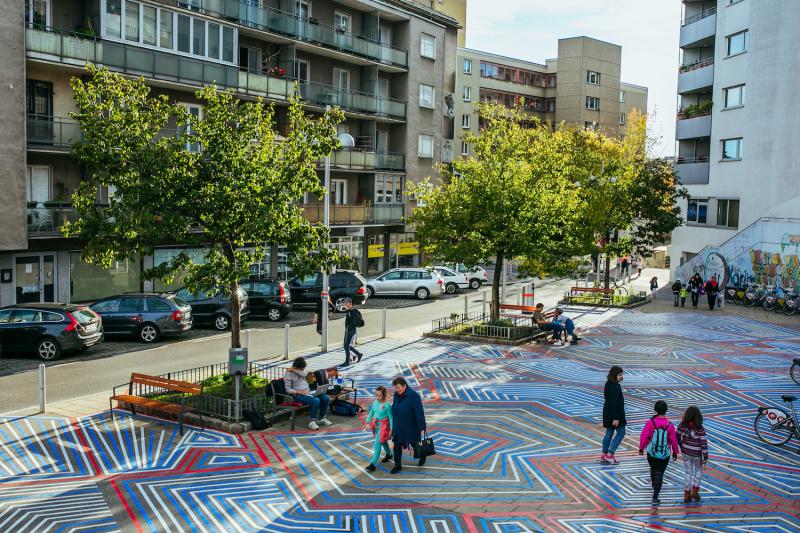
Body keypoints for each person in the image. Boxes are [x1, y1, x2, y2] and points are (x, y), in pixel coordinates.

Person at [639, 400, 680, 505]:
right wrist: (675, 452)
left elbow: (644, 436)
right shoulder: (669, 425)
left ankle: (654, 485)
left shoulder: (650, 422)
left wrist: (641, 448)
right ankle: (655, 495)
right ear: (666, 411)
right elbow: (674, 440)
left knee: (653, 469)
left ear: (655, 410)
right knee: (660, 473)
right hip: (664, 454)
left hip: (651, 452)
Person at [284, 357, 333, 431]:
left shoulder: (300, 371)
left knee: (325, 397)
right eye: (301, 368)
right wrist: (300, 392)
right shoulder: (288, 374)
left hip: (307, 393)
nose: (303, 370)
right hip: (298, 395)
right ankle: (313, 422)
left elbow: (304, 374)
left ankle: (321, 418)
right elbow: (288, 390)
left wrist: (294, 369)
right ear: (297, 366)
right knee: (316, 400)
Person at [390, 376, 427, 474]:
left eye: (399, 388)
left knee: (415, 444)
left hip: (411, 426)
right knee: (397, 445)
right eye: (396, 388)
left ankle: (422, 455)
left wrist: (422, 426)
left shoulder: (414, 396)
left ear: (404, 385)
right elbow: (394, 407)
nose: (397, 390)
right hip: (398, 425)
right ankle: (397, 465)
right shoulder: (396, 395)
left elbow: (419, 412)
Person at [677, 405, 708, 504]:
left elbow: (677, 435)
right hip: (697, 454)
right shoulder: (700, 429)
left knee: (688, 472)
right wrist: (705, 455)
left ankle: (687, 494)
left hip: (686, 452)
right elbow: (703, 443)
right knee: (698, 470)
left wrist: (681, 446)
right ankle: (695, 491)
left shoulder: (682, 425)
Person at [364, 386, 393, 472]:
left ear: (384, 395)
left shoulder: (387, 406)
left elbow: (391, 418)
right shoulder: (375, 402)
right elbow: (372, 412)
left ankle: (372, 464)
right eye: (376, 395)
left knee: (377, 444)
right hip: (376, 425)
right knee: (383, 441)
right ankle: (389, 454)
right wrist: (367, 422)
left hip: (384, 427)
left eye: (379, 395)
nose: (377, 397)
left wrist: (391, 429)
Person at [601, 366, 626, 465]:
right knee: (621, 433)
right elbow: (615, 403)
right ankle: (610, 455)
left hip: (607, 413)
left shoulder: (608, 384)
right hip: (616, 415)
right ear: (614, 375)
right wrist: (616, 418)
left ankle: (604, 454)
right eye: (619, 375)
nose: (621, 377)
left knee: (609, 434)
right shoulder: (615, 387)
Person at [341, 298, 364, 367]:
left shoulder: (352, 311)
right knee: (347, 345)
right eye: (344, 302)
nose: (344, 304)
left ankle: (347, 362)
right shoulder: (349, 311)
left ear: (350, 303)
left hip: (350, 330)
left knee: (346, 345)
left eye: (346, 302)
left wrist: (348, 330)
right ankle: (358, 354)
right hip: (348, 330)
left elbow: (352, 323)